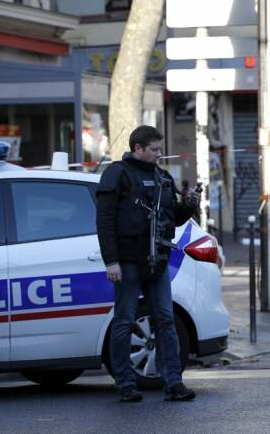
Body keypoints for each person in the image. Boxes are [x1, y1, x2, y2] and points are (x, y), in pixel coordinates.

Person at [96, 125, 200, 403]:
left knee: (165, 320)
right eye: (154, 149)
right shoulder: (117, 174)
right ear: (138, 148)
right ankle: (126, 384)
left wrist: (189, 205)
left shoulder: (162, 177)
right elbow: (104, 221)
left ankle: (174, 382)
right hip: (128, 261)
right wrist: (111, 261)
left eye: (160, 149)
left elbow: (172, 217)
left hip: (158, 261)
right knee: (124, 321)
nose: (159, 154)